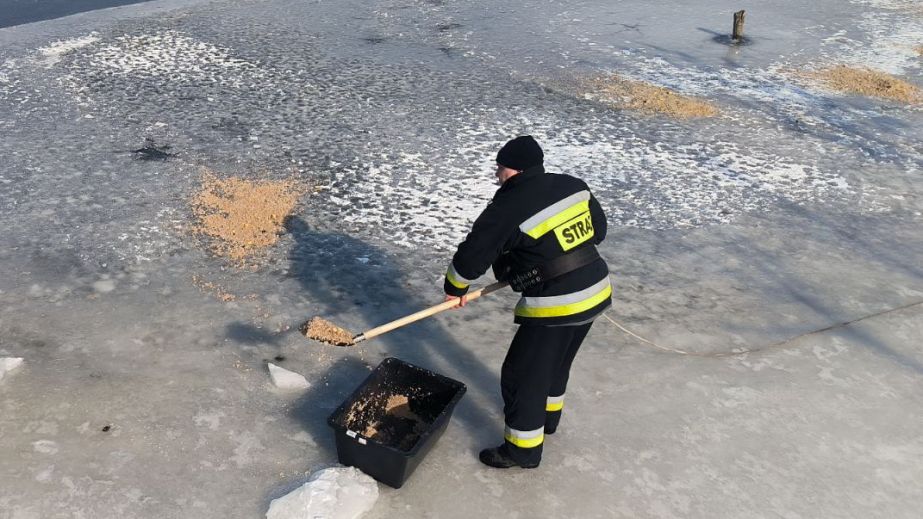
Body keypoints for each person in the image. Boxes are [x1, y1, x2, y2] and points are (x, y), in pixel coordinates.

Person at [443, 135, 611, 469]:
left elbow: (473, 254)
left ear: (515, 170)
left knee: (523, 375)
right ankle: (548, 420)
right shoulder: (572, 185)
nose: (497, 175)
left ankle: (522, 449)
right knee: (556, 362)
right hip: (596, 289)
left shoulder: (508, 205)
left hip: (558, 304)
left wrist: (455, 288)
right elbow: (599, 231)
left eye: (501, 168)